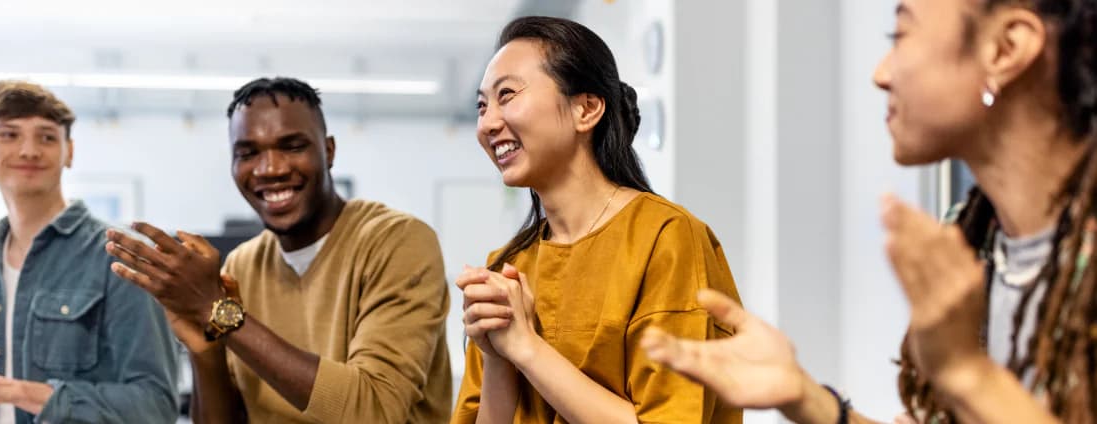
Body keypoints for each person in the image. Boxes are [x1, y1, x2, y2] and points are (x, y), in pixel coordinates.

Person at [641, 0, 1097, 422]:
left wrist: (964, 371)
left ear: (1007, 47)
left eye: (899, 36)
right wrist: (805, 397)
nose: (881, 74)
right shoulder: (974, 240)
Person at [104, 77, 453, 423]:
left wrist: (217, 311)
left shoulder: (398, 242)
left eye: (292, 146)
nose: (270, 169)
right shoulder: (243, 265)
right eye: (248, 153)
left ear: (328, 151)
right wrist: (205, 349)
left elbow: (373, 410)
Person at [452, 16, 743, 424]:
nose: (487, 123)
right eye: (482, 106)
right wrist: (498, 361)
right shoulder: (507, 268)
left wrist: (526, 349)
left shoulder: (667, 239)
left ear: (585, 109)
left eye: (507, 95)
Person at [0, 80, 179, 423]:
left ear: (69, 151)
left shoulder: (119, 256)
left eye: (47, 137)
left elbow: (153, 407)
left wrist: (11, 391)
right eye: (9, 135)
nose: (29, 150)